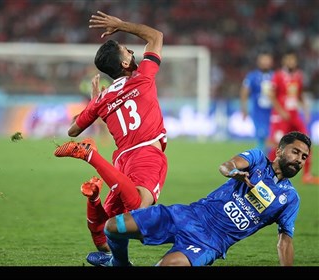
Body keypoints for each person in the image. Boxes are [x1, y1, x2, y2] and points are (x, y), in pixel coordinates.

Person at [86, 131, 311, 266]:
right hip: (188, 215)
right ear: (280, 150)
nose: (299, 160)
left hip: (209, 243)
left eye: (304, 157)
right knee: (113, 226)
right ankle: (120, 264)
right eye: (295, 152)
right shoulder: (257, 159)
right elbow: (227, 165)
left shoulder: (289, 198)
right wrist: (234, 173)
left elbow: (286, 239)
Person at [54, 10, 168, 265]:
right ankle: (91, 156)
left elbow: (72, 130)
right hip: (146, 155)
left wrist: (93, 104)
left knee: (108, 229)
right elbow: (156, 36)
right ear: (126, 64)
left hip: (123, 162)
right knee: (139, 209)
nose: (132, 52)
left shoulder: (101, 99)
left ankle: (116, 259)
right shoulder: (144, 76)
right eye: (128, 51)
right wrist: (120, 25)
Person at [267, 49, 319, 185]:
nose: (291, 62)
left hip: (294, 115)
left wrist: (305, 109)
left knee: (306, 142)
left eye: (293, 60)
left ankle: (306, 175)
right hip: (280, 116)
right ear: (284, 61)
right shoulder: (277, 76)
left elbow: (299, 94)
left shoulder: (298, 76)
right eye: (288, 59)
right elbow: (271, 96)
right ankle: (267, 171)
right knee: (276, 145)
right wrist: (280, 110)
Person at [240, 50, 274, 155]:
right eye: (263, 60)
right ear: (258, 62)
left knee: (272, 139)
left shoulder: (275, 76)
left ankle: (266, 162)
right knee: (261, 137)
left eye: (267, 60)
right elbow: (244, 92)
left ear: (271, 62)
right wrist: (244, 109)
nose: (265, 62)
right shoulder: (252, 76)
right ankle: (262, 163)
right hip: (258, 113)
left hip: (273, 112)